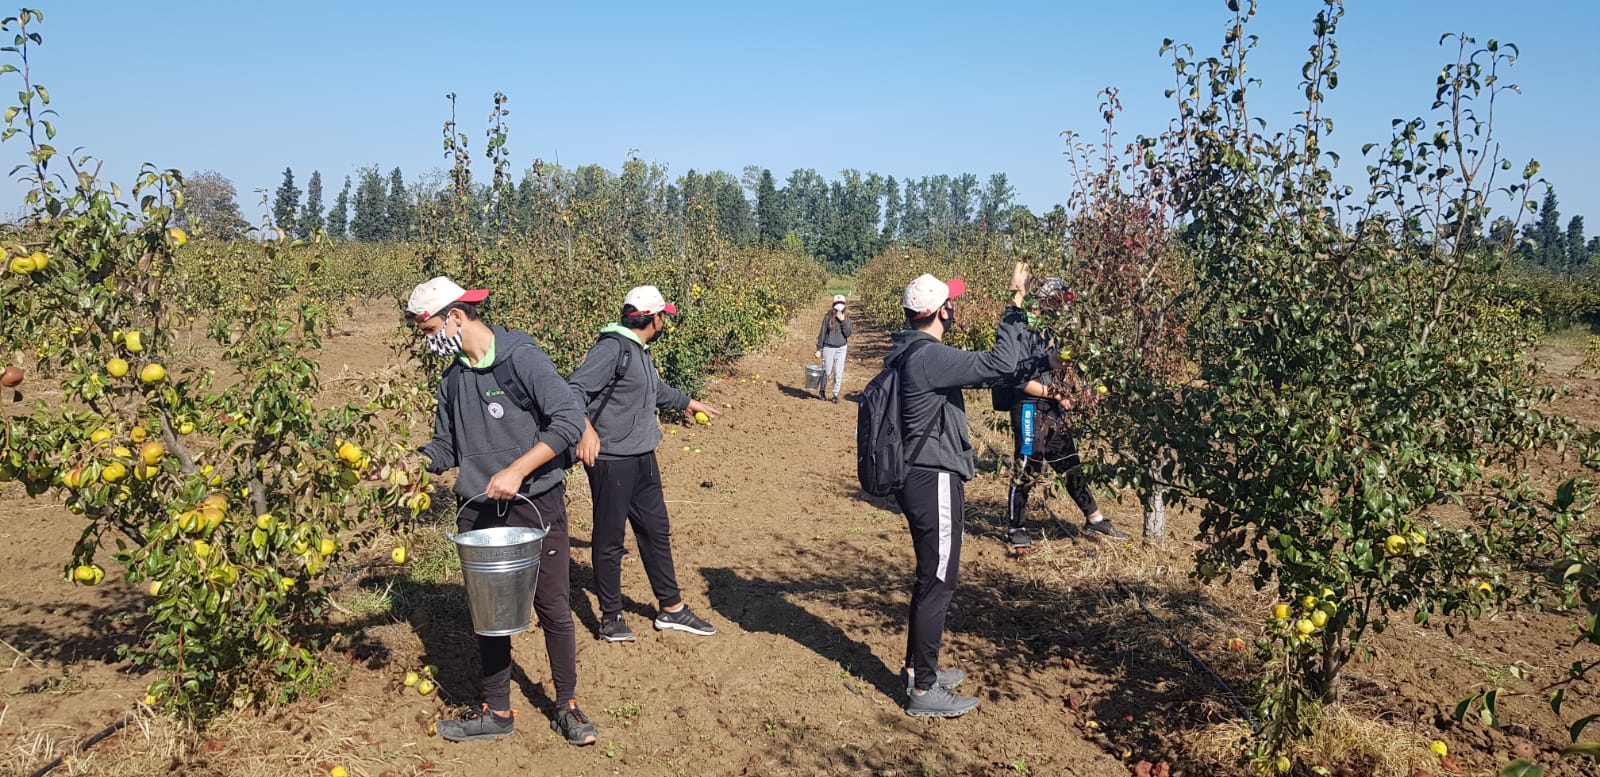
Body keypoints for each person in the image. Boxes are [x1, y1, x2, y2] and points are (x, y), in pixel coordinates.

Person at [406, 276, 599, 747]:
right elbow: (447, 446)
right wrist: (407, 464)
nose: (427, 339)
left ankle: (567, 706)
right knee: (488, 612)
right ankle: (496, 710)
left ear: (455, 317)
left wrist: (517, 470)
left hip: (535, 501)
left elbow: (569, 420)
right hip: (478, 506)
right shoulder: (452, 379)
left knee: (552, 605)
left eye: (429, 329)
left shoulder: (521, 359)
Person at [887, 263, 1059, 718]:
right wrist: (1015, 302)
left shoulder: (914, 351)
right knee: (938, 582)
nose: (956, 306)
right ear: (941, 311)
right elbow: (1001, 366)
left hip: (921, 475)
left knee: (931, 578)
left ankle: (918, 670)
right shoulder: (930, 357)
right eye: (952, 302)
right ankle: (923, 691)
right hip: (933, 477)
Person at [569, 285, 722, 643]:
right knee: (609, 539)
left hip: (642, 456)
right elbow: (574, 389)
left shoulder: (638, 351)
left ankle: (672, 609)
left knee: (656, 530)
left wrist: (688, 402)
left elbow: (654, 389)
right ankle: (610, 616)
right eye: (663, 315)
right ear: (652, 318)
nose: (665, 319)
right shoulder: (611, 349)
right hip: (611, 460)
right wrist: (586, 429)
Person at [997, 277, 1127, 549]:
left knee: (1069, 460)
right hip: (1028, 406)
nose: (1062, 308)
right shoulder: (1024, 328)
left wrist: (1082, 395)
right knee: (1027, 465)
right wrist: (1055, 394)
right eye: (1058, 302)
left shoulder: (1056, 330)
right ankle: (1016, 526)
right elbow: (1018, 379)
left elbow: (1065, 368)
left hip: (1053, 405)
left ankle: (1095, 518)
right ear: (1045, 300)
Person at [814, 294, 854, 402]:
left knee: (838, 371)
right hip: (829, 347)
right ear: (833, 305)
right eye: (837, 304)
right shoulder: (827, 317)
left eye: (841, 304)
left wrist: (843, 321)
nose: (839, 306)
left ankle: (835, 394)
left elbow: (848, 333)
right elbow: (822, 333)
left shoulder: (847, 318)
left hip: (842, 348)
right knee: (827, 371)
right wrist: (819, 349)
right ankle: (822, 390)